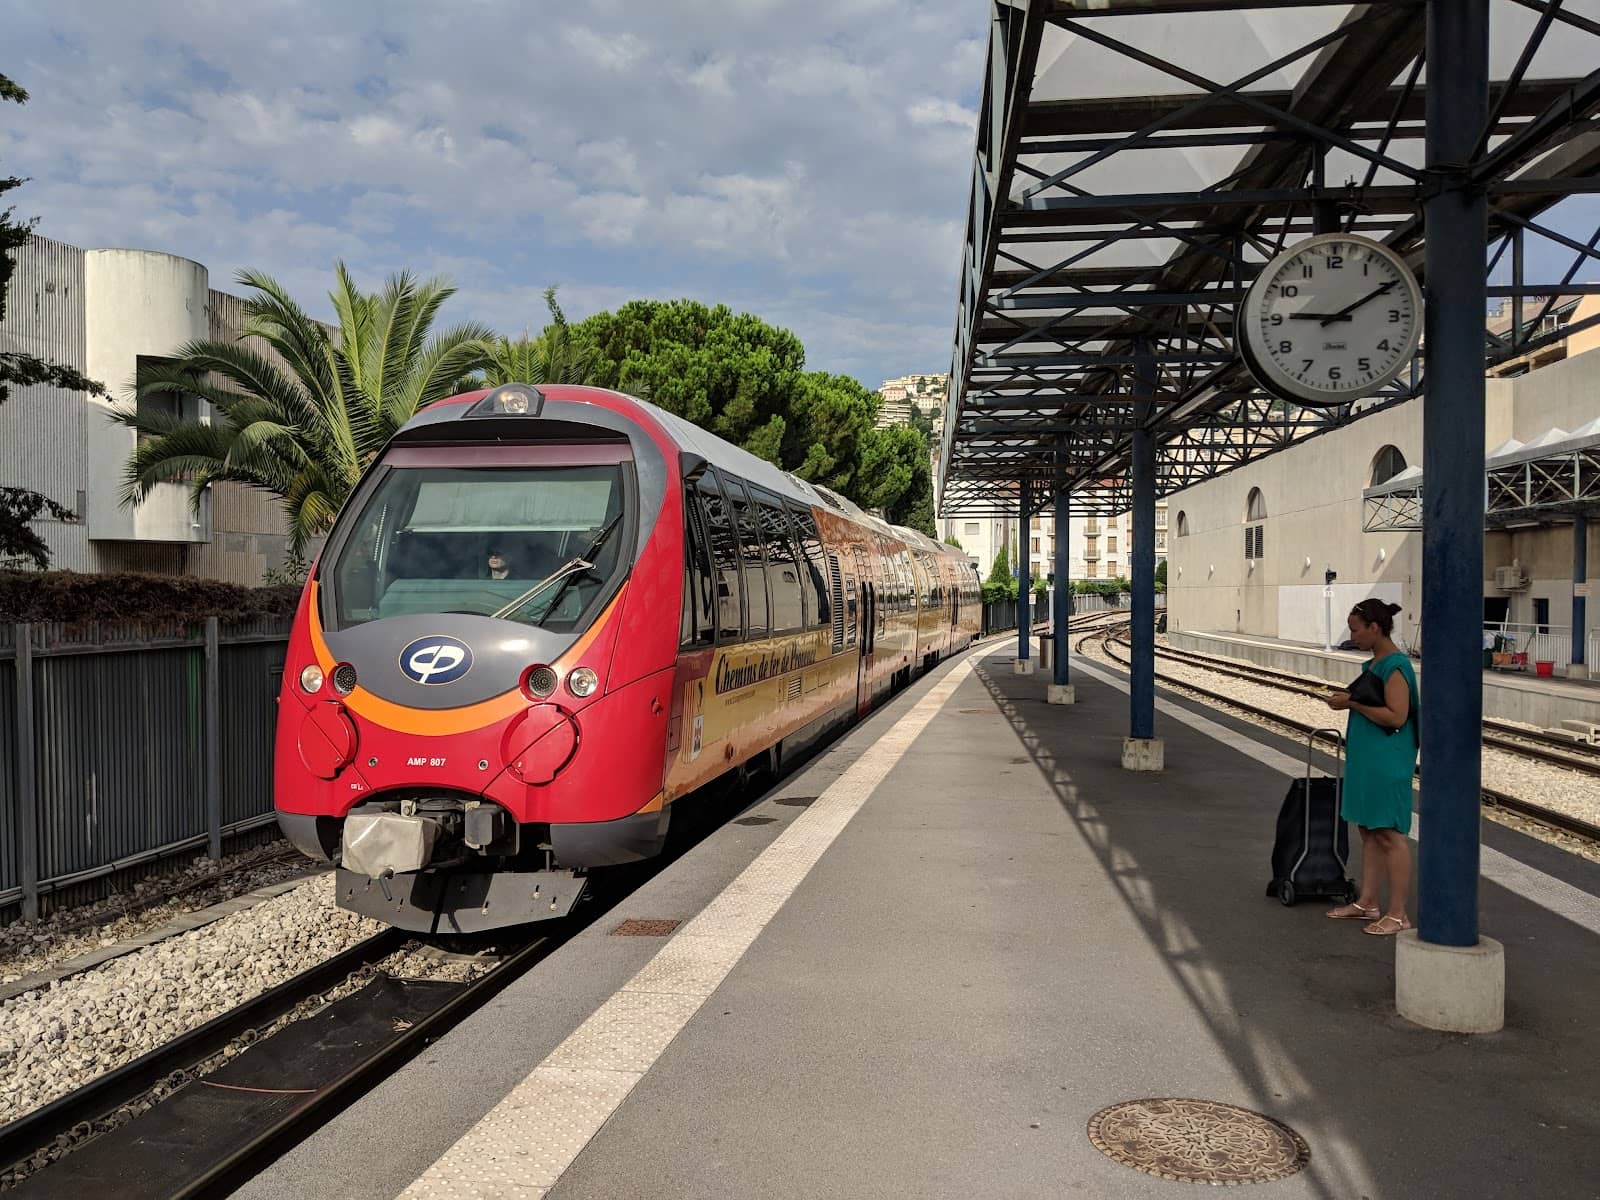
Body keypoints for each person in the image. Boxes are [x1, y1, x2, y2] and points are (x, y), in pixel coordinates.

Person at [1325, 599, 1419, 935]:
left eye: (1356, 630)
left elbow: (1396, 716)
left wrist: (1351, 703)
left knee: (1389, 834)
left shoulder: (1394, 667)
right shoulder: (1375, 664)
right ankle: (1368, 902)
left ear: (1374, 628)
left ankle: (1397, 914)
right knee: (1368, 829)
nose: (1353, 637)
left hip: (1387, 760)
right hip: (1369, 760)